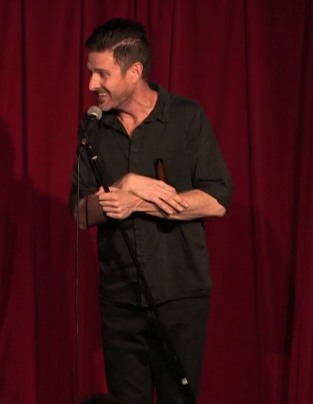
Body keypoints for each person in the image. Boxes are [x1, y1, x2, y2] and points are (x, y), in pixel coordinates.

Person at [69, 18, 233, 404]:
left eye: (102, 73)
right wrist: (126, 184)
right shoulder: (95, 131)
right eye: (91, 72)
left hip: (179, 295)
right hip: (120, 300)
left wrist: (138, 200)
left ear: (135, 71)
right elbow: (81, 213)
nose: (92, 84)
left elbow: (216, 200)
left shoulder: (185, 118)